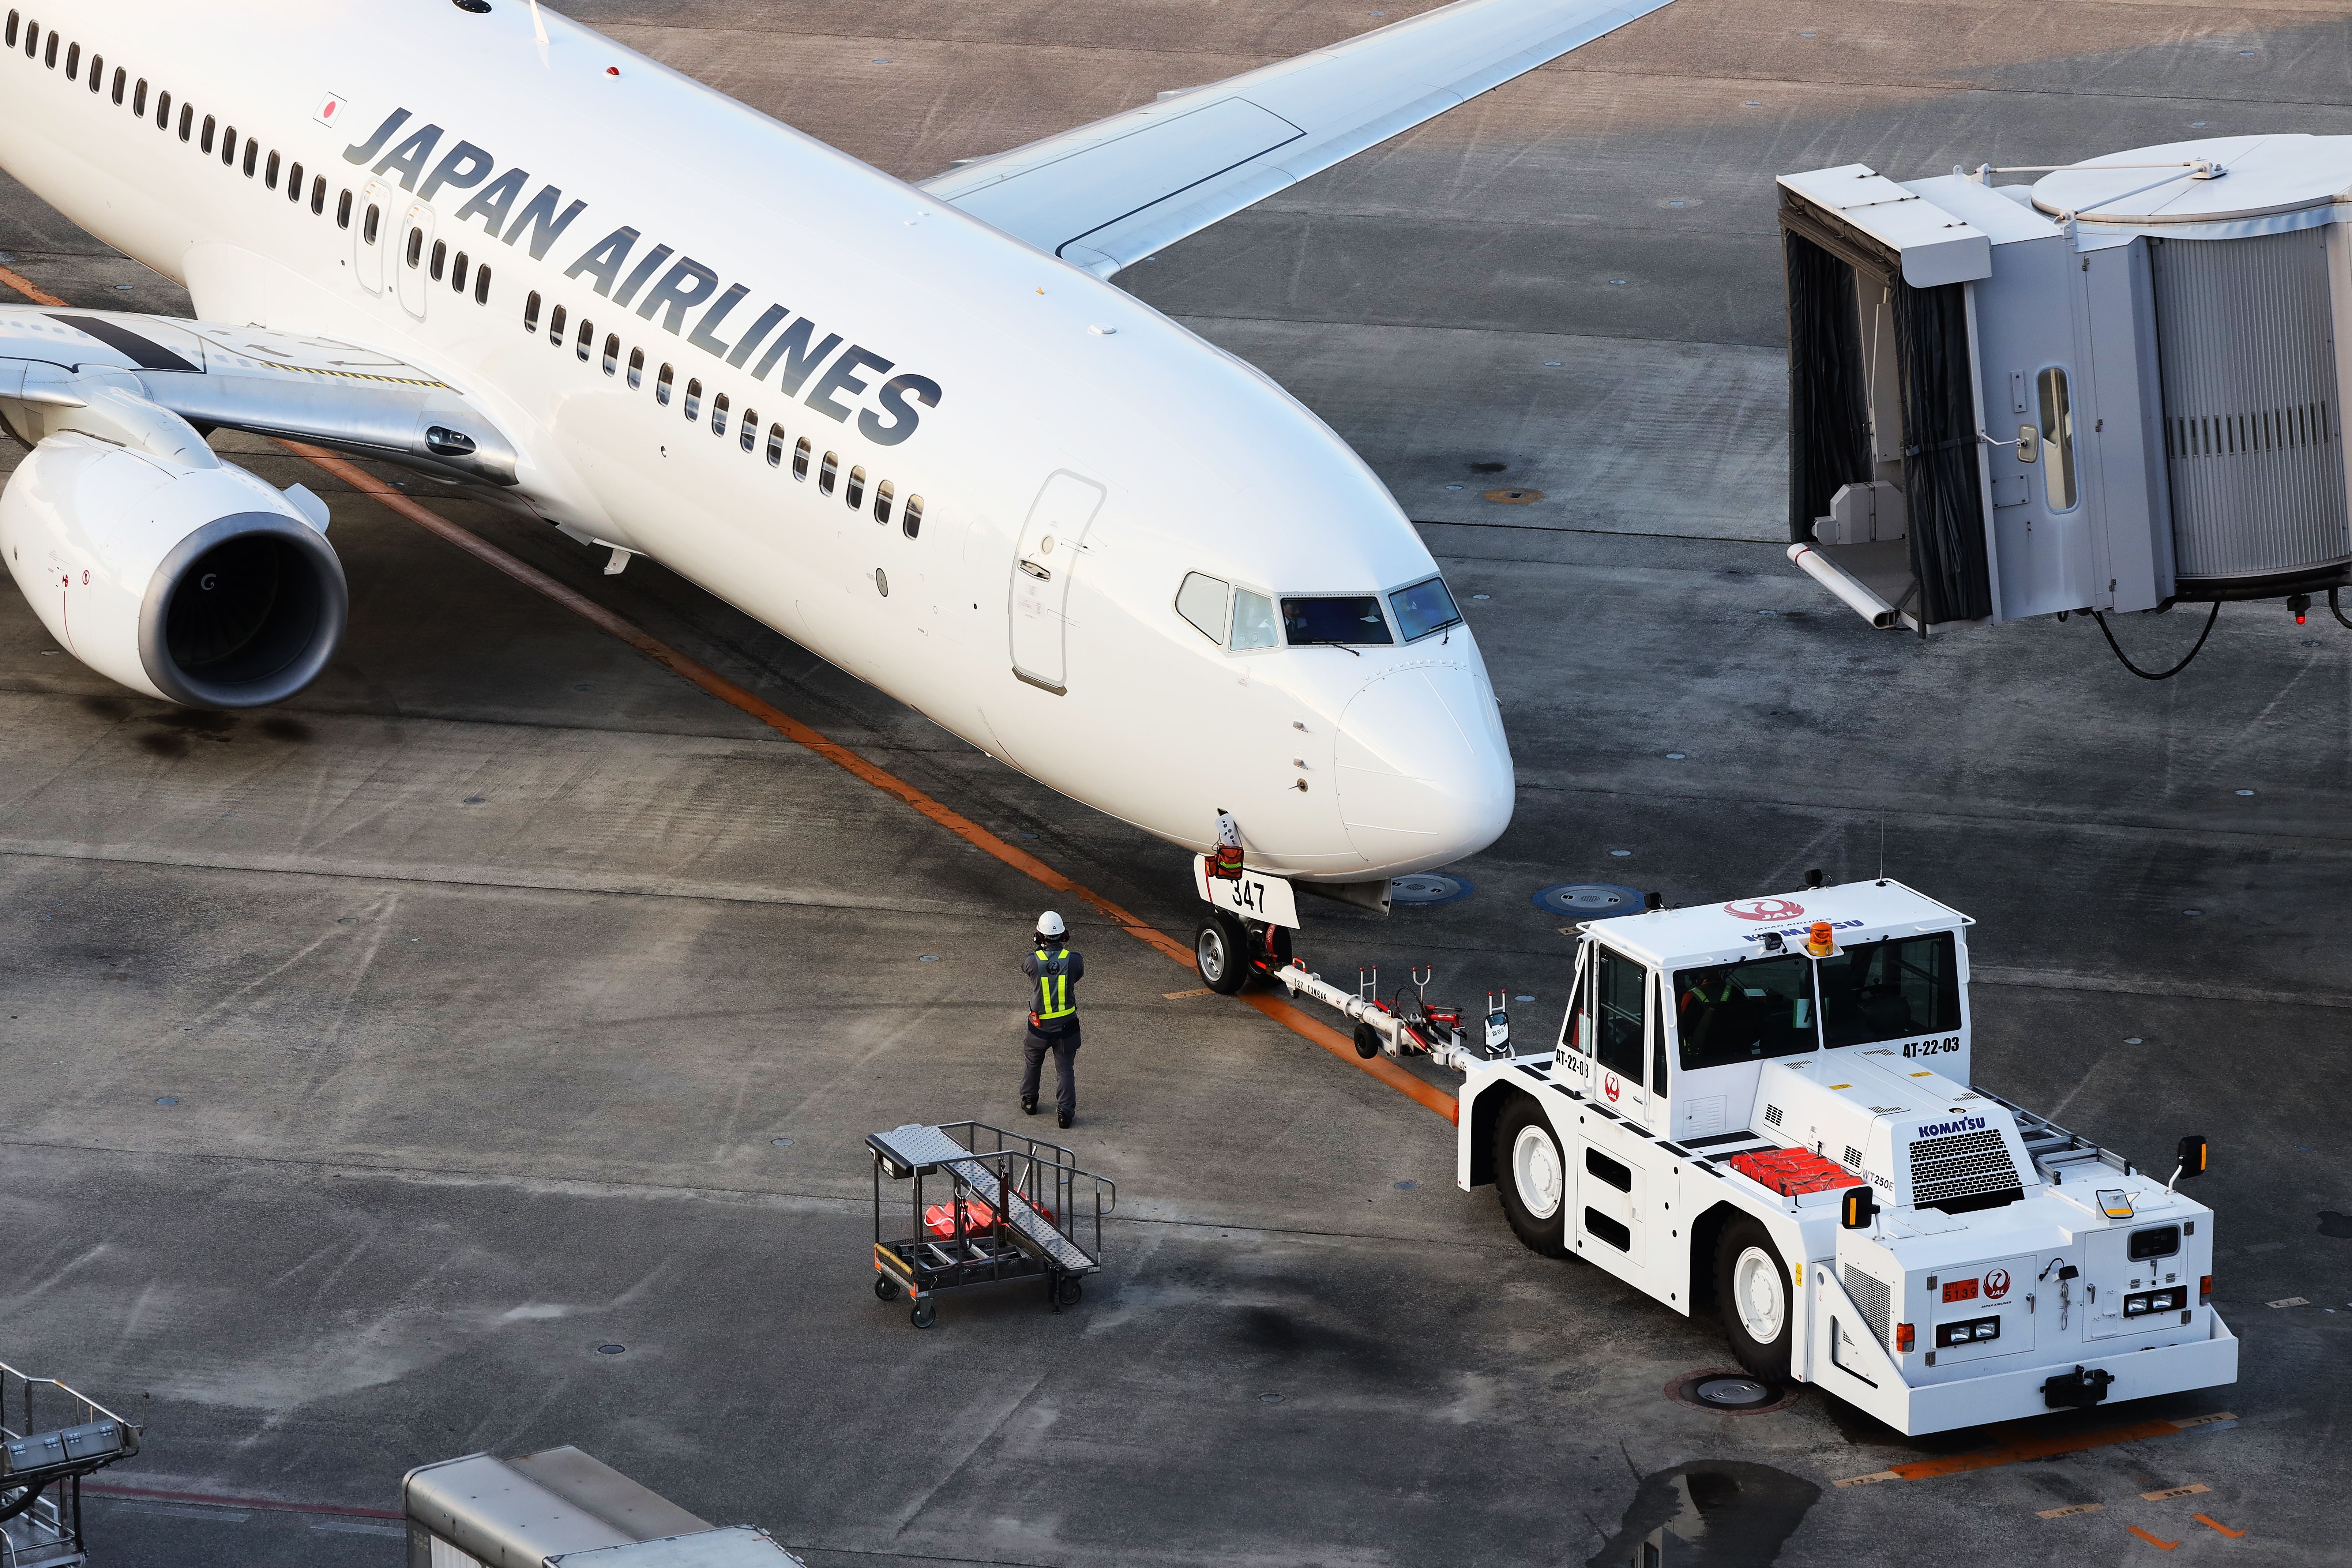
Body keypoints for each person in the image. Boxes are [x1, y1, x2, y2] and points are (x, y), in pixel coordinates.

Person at [1021, 911, 1084, 1128]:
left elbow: (1029, 970)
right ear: (1065, 935)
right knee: (1065, 1070)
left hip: (1039, 1028)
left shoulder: (1032, 961)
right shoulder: (1074, 960)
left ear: (1039, 936)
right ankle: (1065, 1115)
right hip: (1067, 1027)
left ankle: (1030, 1102)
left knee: (1033, 1063)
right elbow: (1077, 973)